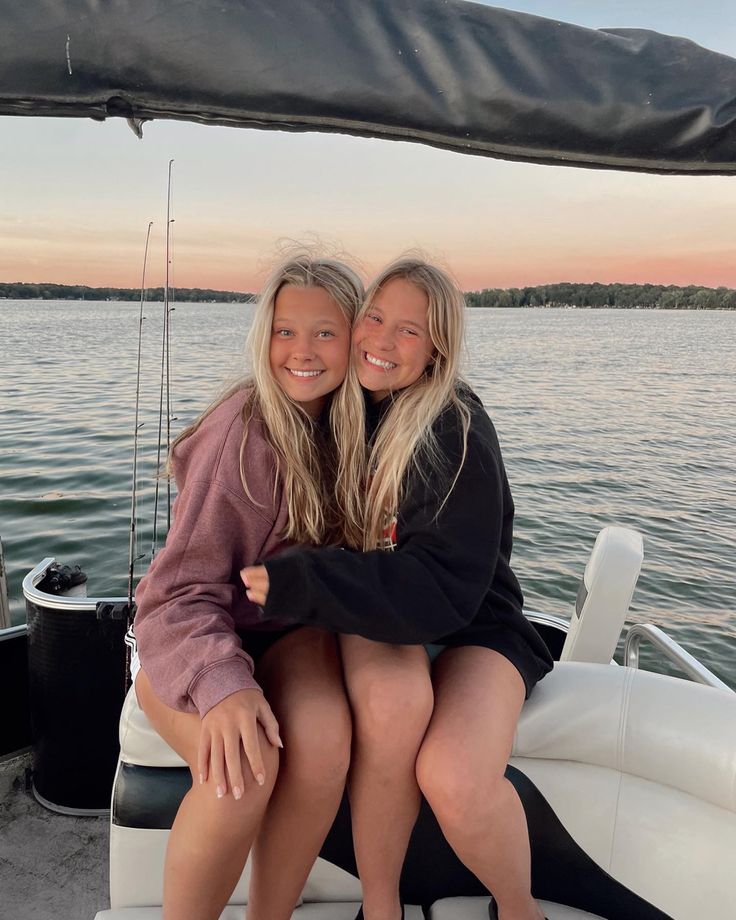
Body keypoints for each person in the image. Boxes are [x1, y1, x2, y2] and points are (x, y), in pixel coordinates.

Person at [242, 257, 554, 920]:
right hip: (377, 611)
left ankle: (521, 909)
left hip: (471, 625)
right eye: (375, 318)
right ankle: (382, 909)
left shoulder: (457, 429)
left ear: (437, 346)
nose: (383, 340)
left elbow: (441, 587)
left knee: (455, 780)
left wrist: (303, 583)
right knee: (391, 703)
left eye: (408, 331)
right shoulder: (343, 410)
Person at [132, 253, 365, 920]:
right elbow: (177, 592)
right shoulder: (244, 432)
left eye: (325, 332)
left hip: (291, 630)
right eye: (285, 331)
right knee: (244, 773)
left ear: (356, 338)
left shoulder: (361, 429)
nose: (302, 351)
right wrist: (223, 687)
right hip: (190, 635)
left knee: (322, 747)